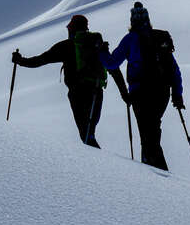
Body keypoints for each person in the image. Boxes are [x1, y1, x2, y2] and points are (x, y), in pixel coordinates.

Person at [11, 15, 129, 149]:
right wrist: (124, 93)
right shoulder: (97, 45)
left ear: (71, 29)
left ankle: (98, 166)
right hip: (96, 91)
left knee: (85, 133)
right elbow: (113, 68)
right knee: (89, 133)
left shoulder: (66, 46)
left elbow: (40, 60)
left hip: (77, 92)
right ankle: (97, 163)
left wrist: (20, 61)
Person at [99, 2, 184, 171]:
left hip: (140, 93)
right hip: (162, 92)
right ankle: (154, 172)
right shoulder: (160, 37)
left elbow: (112, 63)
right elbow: (174, 69)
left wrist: (101, 51)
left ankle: (159, 175)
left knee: (147, 135)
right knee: (152, 131)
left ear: (132, 21)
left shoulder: (130, 39)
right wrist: (177, 93)